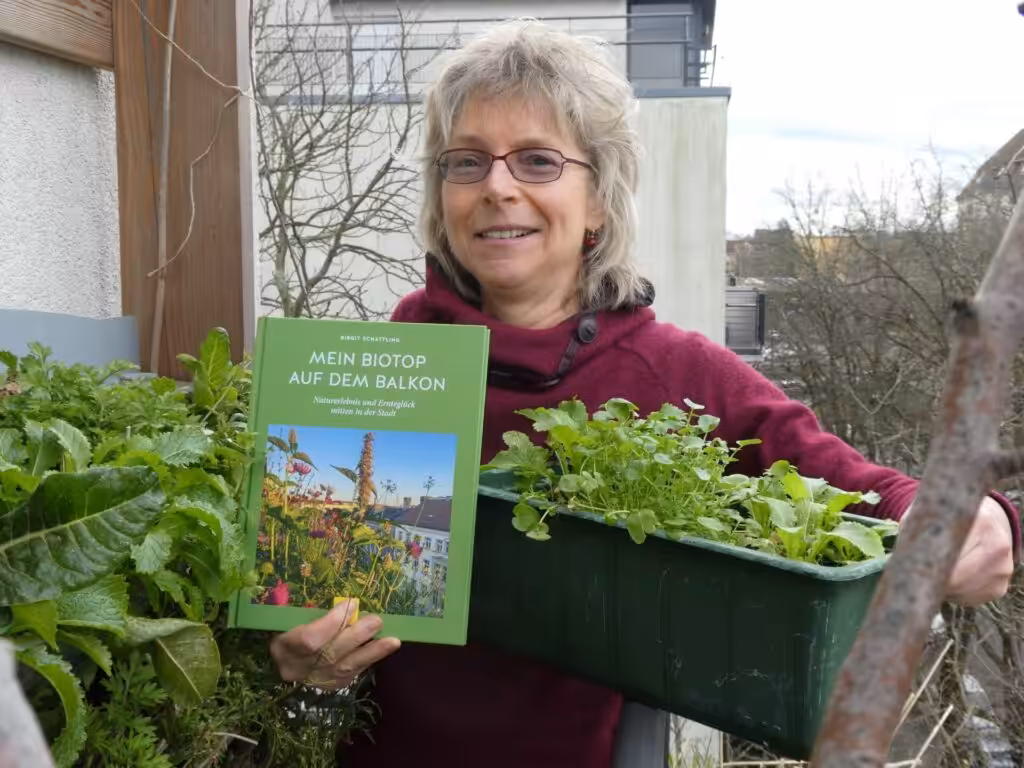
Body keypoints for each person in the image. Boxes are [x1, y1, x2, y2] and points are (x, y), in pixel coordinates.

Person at [269, 19, 1020, 768]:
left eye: (536, 160)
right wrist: (312, 674)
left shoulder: (672, 377)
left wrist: (974, 520)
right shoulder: (372, 376)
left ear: (598, 198)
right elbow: (307, 660)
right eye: (467, 162)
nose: (497, 187)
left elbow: (860, 490)